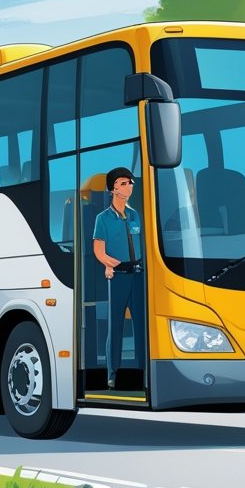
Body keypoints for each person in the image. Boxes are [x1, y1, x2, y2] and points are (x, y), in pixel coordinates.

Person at [92, 166, 145, 389]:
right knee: (116, 327)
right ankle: (113, 374)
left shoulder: (134, 215)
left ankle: (143, 371)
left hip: (138, 275)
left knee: (141, 325)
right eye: (124, 183)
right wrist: (113, 265)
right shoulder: (103, 218)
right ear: (113, 188)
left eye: (130, 182)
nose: (129, 186)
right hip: (118, 275)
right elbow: (99, 251)